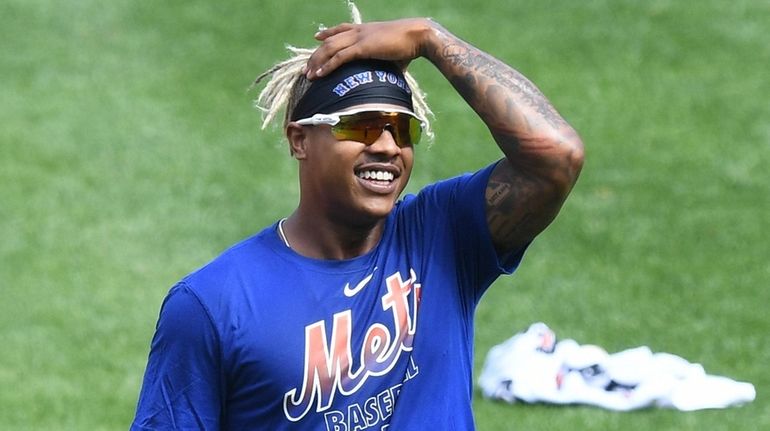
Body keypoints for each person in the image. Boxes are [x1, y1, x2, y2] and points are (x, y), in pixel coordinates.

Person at [131, 13, 584, 431]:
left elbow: (557, 157)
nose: (388, 146)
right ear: (300, 140)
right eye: (362, 126)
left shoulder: (443, 235)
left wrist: (430, 38)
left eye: (402, 128)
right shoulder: (213, 304)